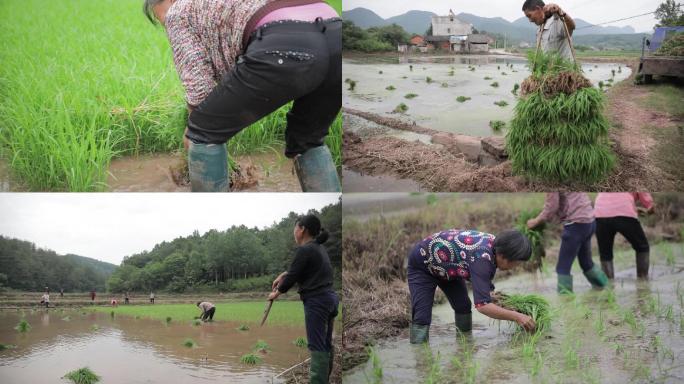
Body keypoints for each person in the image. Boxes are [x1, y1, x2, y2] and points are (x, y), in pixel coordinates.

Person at [143, 0, 342, 192]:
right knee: (307, 138)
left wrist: (196, 127)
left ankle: (210, 214)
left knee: (203, 132)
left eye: (164, 19)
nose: (167, 24)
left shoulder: (178, 12)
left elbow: (198, 84)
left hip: (286, 42)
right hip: (336, 35)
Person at [407, 229, 536, 344]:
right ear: (503, 256)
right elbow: (483, 306)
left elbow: (485, 284)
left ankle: (465, 345)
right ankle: (420, 358)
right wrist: (517, 316)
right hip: (423, 265)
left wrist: (499, 300)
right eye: (516, 263)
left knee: (463, 306)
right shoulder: (482, 258)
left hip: (448, 266)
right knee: (422, 317)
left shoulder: (495, 248)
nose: (515, 267)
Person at [270, 214, 338, 384]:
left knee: (316, 347)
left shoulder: (305, 249)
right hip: (330, 299)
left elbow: (292, 278)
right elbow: (299, 271)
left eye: (295, 228)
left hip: (317, 302)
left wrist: (276, 293)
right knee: (325, 344)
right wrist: (284, 274)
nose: (294, 232)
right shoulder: (318, 248)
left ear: (302, 230)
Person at [527, 193, 608, 293]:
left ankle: (565, 301)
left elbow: (552, 207)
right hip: (589, 221)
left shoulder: (552, 180)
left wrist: (535, 221)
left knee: (562, 268)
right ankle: (606, 287)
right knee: (586, 263)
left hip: (575, 225)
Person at [594, 193, 654, 280]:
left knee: (605, 254)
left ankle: (608, 286)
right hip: (624, 212)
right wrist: (650, 206)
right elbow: (644, 195)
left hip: (600, 213)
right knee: (642, 247)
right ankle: (643, 280)